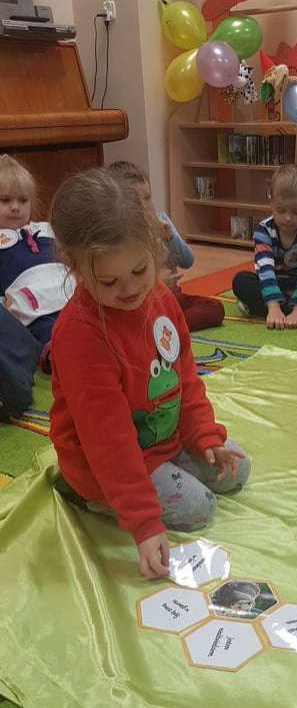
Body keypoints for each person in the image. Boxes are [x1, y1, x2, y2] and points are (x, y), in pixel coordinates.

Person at [49, 168, 250, 580]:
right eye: (109, 281)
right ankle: (86, 494)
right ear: (74, 266)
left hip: (163, 440)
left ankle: (171, 465)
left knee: (236, 468)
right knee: (199, 509)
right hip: (107, 461)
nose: (129, 290)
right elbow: (108, 439)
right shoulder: (80, 334)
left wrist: (204, 436)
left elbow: (185, 376)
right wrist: (142, 522)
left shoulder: (159, 296)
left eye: (140, 270)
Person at [108, 160, 225, 332]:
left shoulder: (162, 220)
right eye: (136, 202)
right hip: (144, 301)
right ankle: (163, 326)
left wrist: (169, 237)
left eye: (147, 198)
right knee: (138, 317)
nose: (145, 206)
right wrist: (157, 283)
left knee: (214, 308)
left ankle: (168, 326)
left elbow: (188, 261)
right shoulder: (124, 235)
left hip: (172, 297)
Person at [0, 154, 74, 370]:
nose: (15, 207)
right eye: (5, 200)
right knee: (50, 333)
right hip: (35, 311)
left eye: (23, 200)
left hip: (71, 295)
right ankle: (58, 357)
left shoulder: (47, 229)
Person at [232, 164, 297, 329]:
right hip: (272, 284)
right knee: (241, 280)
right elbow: (265, 269)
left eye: (296, 212)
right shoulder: (263, 229)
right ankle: (279, 309)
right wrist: (273, 306)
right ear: (271, 203)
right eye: (281, 211)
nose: (288, 218)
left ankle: (270, 308)